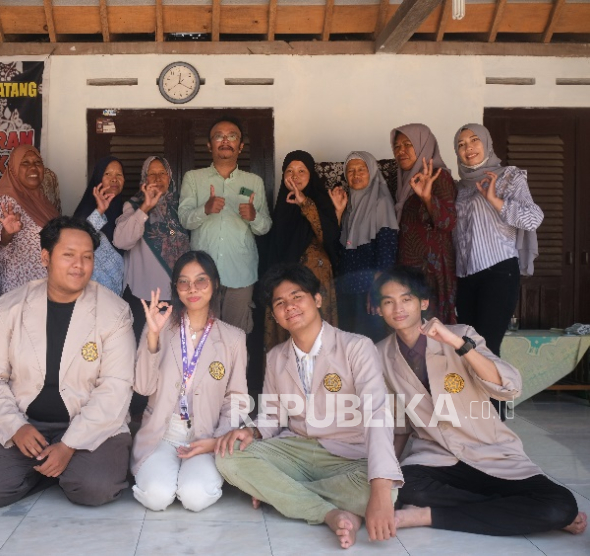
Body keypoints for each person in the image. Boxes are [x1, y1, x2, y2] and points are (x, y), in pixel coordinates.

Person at [373, 266, 586, 537]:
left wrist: (458, 344)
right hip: (436, 458)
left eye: (406, 299)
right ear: (378, 309)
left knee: (560, 506)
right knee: (403, 486)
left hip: (490, 452)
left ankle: (426, 514)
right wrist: (385, 471)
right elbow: (399, 421)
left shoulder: (462, 333)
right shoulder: (380, 354)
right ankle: (515, 511)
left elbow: (508, 386)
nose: (397, 308)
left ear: (423, 302)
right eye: (387, 302)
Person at [215, 263, 402, 550]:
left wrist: (378, 487)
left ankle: (280, 494)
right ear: (276, 316)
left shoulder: (356, 347)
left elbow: (378, 413)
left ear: (317, 299)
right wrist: (252, 431)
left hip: (348, 454)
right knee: (229, 457)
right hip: (297, 449)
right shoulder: (277, 356)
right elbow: (273, 415)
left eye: (297, 296)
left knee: (386, 494)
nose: (289, 306)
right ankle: (329, 513)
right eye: (280, 303)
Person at [0, 216, 135, 509]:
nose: (79, 265)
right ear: (45, 257)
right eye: (68, 255)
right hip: (24, 420)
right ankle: (46, 469)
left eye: (87, 257)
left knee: (94, 489)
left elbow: (116, 388)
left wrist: (68, 445)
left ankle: (56, 464)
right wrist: (16, 427)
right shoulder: (12, 306)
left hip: (85, 422)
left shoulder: (114, 312)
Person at [131, 251, 248, 512]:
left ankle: (188, 477)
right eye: (183, 282)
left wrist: (218, 440)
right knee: (156, 496)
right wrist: (151, 336)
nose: (192, 289)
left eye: (201, 281)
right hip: (162, 435)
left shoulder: (233, 338)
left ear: (215, 284)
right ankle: (164, 475)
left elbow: (237, 400)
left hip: (205, 437)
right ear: (176, 288)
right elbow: (142, 388)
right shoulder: (158, 326)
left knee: (195, 497)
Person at [453, 123, 544, 356]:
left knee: (486, 349)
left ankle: (493, 394)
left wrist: (494, 200)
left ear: (486, 143)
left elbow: (533, 218)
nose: (468, 148)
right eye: (461, 144)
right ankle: (474, 395)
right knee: (466, 349)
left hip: (498, 273)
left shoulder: (509, 177)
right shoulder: (459, 187)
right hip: (465, 277)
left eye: (474, 140)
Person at [178, 116, 272, 333]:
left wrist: (253, 217)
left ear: (240, 146)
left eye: (232, 136)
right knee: (201, 335)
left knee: (236, 337)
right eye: (219, 136)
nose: (225, 141)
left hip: (240, 273)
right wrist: (205, 209)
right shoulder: (194, 178)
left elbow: (265, 226)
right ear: (209, 145)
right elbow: (184, 219)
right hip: (201, 274)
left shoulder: (253, 182)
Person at [264, 150, 347, 349]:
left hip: (315, 283)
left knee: (317, 339)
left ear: (311, 174)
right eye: (289, 171)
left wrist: (305, 203)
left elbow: (330, 238)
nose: (295, 176)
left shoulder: (323, 202)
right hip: (284, 287)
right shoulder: (280, 209)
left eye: (302, 171)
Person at [113, 156, 191, 341]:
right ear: (144, 178)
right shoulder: (133, 205)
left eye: (162, 173)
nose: (157, 178)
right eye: (152, 174)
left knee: (175, 350)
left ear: (169, 177)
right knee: (147, 350)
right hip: (146, 294)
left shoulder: (181, 205)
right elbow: (121, 241)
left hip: (179, 293)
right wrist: (145, 207)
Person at [391, 124, 457, 324]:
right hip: (409, 270)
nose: (401, 151)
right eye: (397, 146)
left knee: (433, 331)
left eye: (408, 145)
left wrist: (428, 198)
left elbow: (448, 222)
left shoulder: (439, 176)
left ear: (423, 145)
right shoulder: (403, 182)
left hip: (432, 271)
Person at [0, 144, 59, 305]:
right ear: (13, 169)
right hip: (17, 287)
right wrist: (7, 233)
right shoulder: (6, 199)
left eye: (37, 163)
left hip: (44, 286)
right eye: (25, 163)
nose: (33, 167)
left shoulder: (43, 201)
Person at [336, 151, 398, 343]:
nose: (356, 175)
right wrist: (338, 213)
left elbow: (387, 249)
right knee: (350, 346)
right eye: (350, 171)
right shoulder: (349, 205)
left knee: (371, 345)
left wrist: (379, 289)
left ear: (371, 171)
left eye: (361, 169)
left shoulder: (381, 202)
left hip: (369, 288)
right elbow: (339, 248)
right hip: (348, 287)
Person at [73, 156, 126, 297]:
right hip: (89, 295)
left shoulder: (126, 211)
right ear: (98, 178)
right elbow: (77, 240)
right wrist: (100, 211)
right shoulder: (85, 211)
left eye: (119, 175)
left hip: (116, 296)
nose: (114, 179)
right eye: (107, 174)